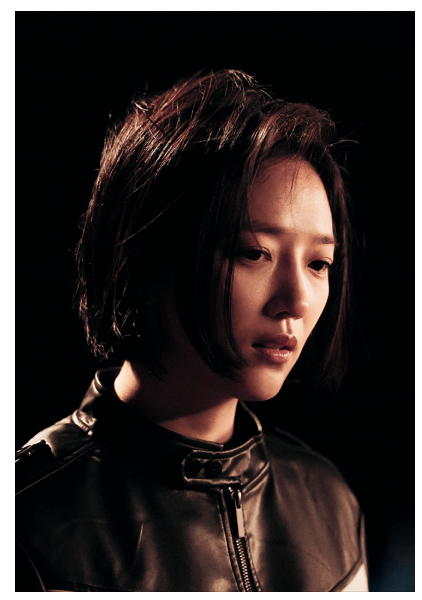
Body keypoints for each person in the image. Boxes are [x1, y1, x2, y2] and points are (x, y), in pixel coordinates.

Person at [15, 69, 369, 592]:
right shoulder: (30, 523)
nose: (297, 300)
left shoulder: (328, 502)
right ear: (143, 254)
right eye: (254, 253)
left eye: (319, 263)